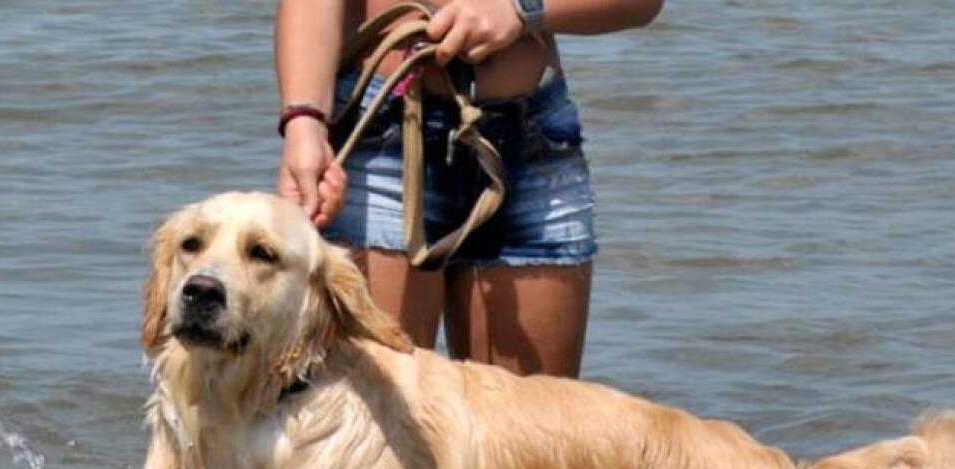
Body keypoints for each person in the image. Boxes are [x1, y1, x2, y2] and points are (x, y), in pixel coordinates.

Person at [274, 0, 663, 378]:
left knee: (532, 431)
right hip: (381, 138)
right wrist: (303, 121)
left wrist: (521, 10)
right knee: (373, 426)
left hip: (528, 141)